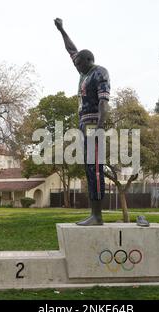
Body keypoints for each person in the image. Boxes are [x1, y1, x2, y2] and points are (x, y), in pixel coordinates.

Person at [54, 18, 110, 226]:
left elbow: (104, 102)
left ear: (88, 60)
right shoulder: (83, 72)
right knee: (88, 167)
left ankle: (98, 216)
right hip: (84, 125)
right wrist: (62, 30)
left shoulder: (99, 72)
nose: (76, 66)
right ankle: (93, 213)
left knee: (95, 168)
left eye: (79, 63)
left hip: (95, 124)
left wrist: (101, 128)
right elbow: (71, 50)